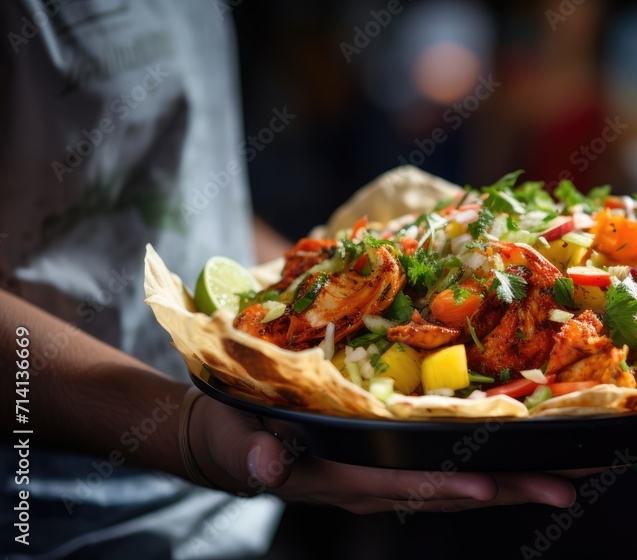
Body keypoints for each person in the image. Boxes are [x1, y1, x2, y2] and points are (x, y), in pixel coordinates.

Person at [0, 2, 575, 558]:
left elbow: (178, 191)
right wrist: (185, 432)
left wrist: (312, 281)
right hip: (46, 515)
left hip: (242, 511)